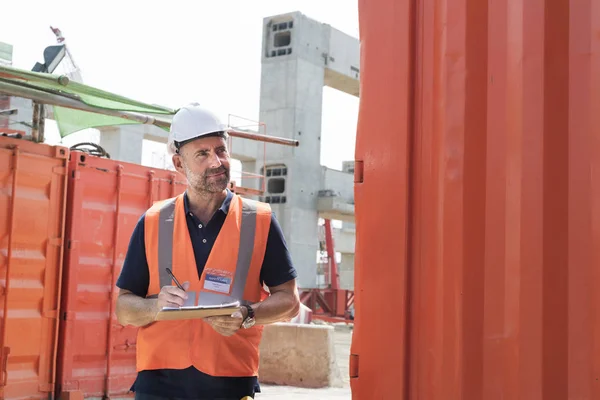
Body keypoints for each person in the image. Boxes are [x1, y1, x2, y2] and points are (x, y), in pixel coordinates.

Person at [115, 103, 301, 400]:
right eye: (202, 154)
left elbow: (290, 301)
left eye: (221, 150)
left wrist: (248, 315)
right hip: (159, 383)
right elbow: (123, 307)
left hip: (231, 381)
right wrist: (154, 308)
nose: (217, 161)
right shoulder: (153, 221)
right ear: (179, 164)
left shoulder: (259, 219)